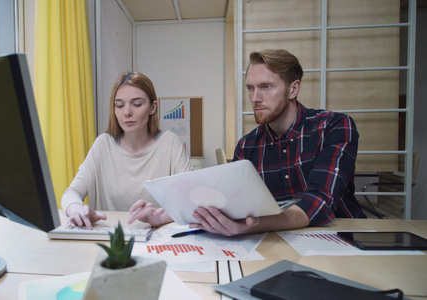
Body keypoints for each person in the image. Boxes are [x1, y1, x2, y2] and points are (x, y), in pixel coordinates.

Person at [190, 49, 366, 236]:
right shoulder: (246, 146)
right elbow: (238, 204)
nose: (255, 98)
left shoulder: (334, 126)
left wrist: (255, 224)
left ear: (293, 89)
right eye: (250, 88)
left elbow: (320, 200)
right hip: (275, 240)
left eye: (266, 86)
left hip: (341, 239)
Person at [61, 71, 192, 229]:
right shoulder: (103, 145)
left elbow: (189, 198)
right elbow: (71, 193)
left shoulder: (169, 143)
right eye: (119, 105)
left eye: (136, 104)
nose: (127, 112)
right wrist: (76, 210)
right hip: (110, 240)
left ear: (152, 107)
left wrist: (158, 218)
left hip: (156, 241)